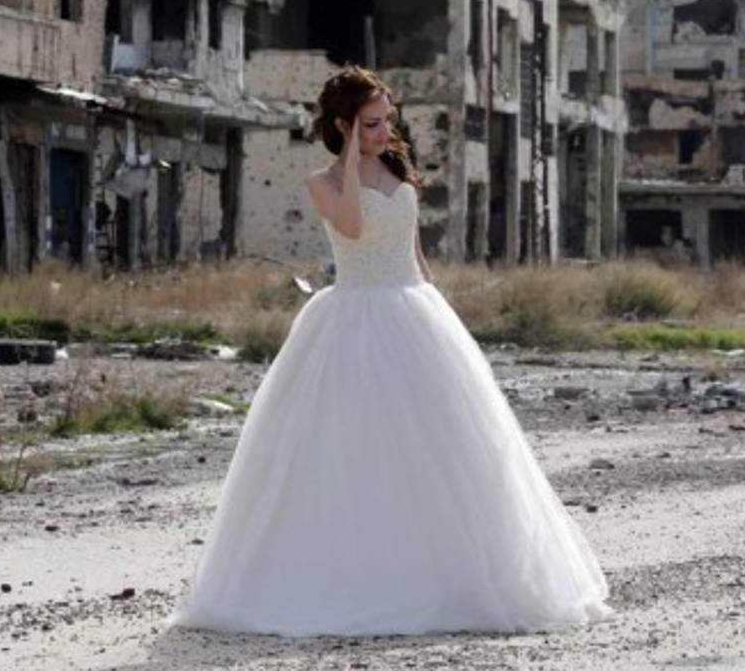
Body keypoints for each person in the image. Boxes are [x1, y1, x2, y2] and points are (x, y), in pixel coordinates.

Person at [171, 67, 609, 636]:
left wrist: (437, 310)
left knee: (443, 448)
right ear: (344, 125)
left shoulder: (399, 169)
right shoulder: (321, 181)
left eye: (386, 122)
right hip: (350, 316)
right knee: (349, 448)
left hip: (413, 313)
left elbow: (413, 248)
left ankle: (455, 577)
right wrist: (351, 158)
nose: (384, 133)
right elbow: (351, 226)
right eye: (371, 124)